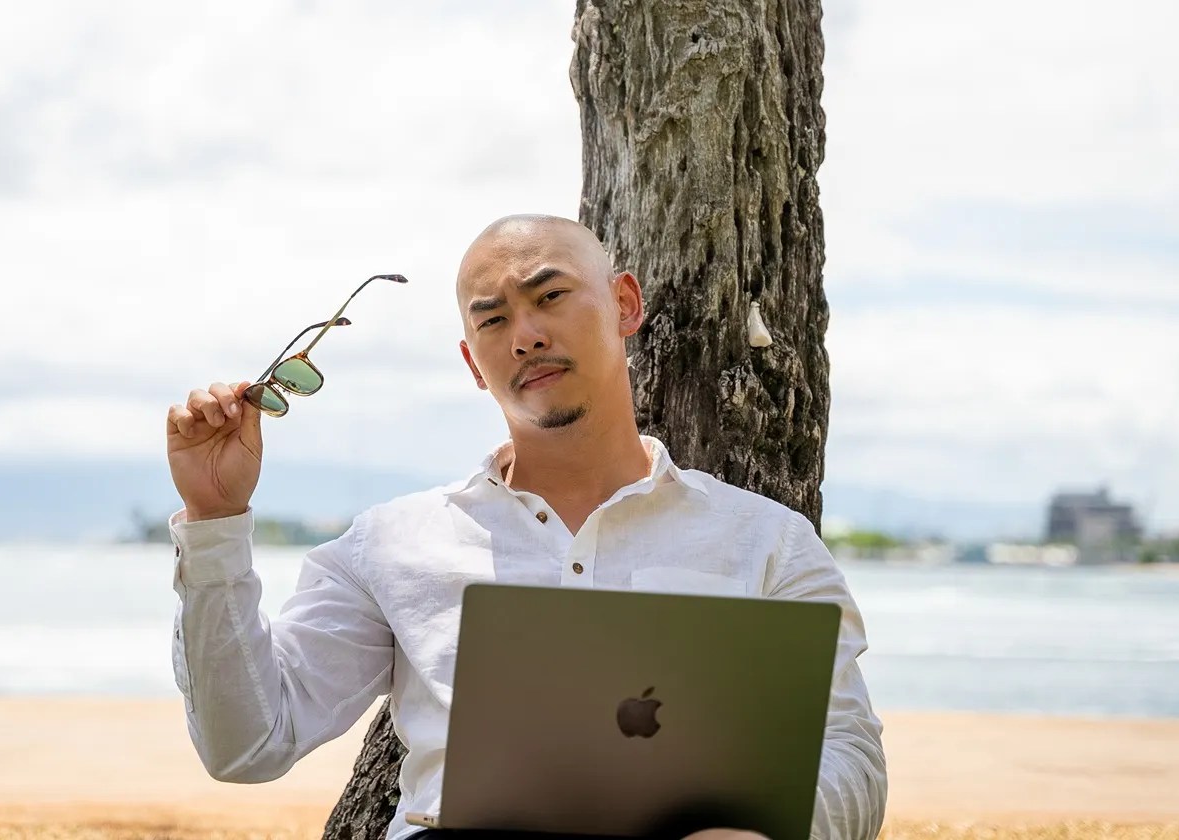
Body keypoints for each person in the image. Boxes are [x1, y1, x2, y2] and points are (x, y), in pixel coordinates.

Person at [163, 215, 887, 840]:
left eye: (550, 297)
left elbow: (849, 754)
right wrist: (214, 521)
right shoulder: (392, 545)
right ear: (473, 363)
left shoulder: (767, 541)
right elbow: (249, 744)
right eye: (493, 320)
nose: (526, 336)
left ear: (625, 303)